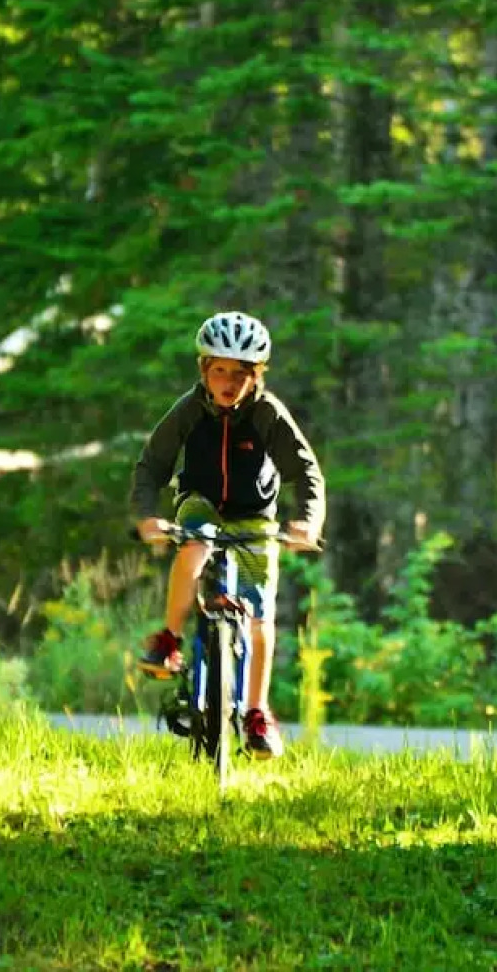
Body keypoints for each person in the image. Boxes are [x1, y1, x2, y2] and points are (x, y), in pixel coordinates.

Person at [131, 311, 326, 759]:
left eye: (240, 374)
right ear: (204, 370)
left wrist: (307, 523)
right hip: (200, 503)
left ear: (255, 376)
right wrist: (147, 517)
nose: (229, 382)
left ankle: (256, 712)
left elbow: (306, 472)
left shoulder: (267, 415)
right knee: (195, 546)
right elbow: (152, 465)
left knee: (259, 616)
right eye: (219, 370)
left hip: (254, 517)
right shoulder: (188, 410)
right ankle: (169, 639)